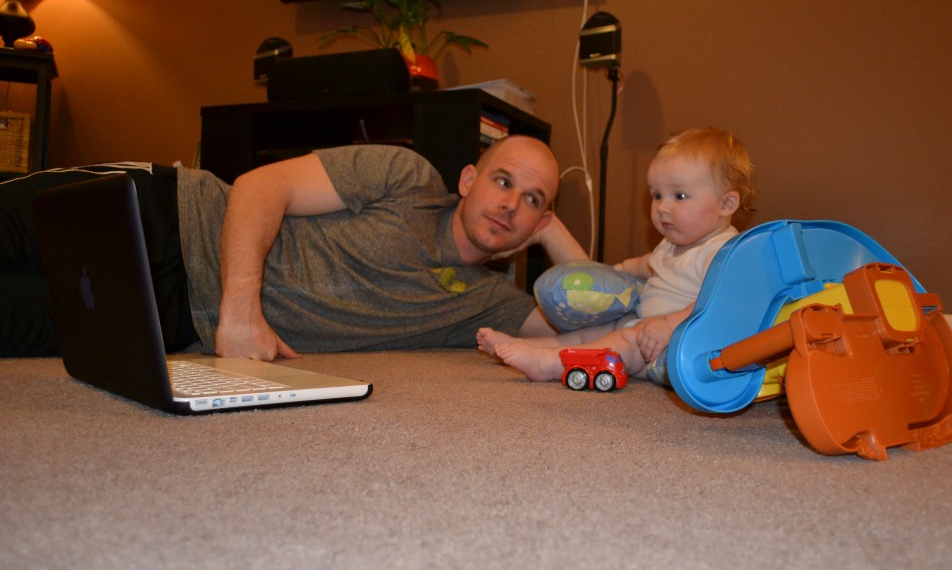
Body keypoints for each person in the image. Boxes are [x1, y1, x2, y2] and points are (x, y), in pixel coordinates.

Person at [0, 136, 586, 359]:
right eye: (503, 181)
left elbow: (594, 311)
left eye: (533, 200)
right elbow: (261, 187)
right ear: (467, 179)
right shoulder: (405, 176)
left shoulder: (483, 306)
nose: (512, 205)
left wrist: (552, 229)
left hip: (167, 320)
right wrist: (239, 312)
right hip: (168, 215)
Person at [477, 127, 755, 386]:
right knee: (597, 330)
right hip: (644, 326)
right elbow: (644, 265)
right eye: (657, 195)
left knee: (626, 338)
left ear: (726, 204)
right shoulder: (671, 245)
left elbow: (720, 303)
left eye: (679, 196)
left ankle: (552, 365)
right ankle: (526, 346)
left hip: (678, 344)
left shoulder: (722, 251)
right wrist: (615, 269)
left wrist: (669, 325)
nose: (662, 207)